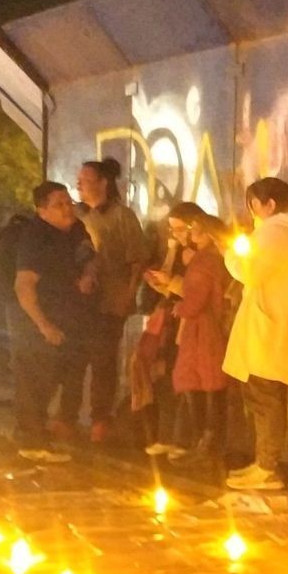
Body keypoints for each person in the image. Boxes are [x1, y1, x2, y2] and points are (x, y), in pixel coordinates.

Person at [222, 177, 288, 492]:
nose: (251, 213)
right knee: (266, 398)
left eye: (253, 205)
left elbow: (248, 270)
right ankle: (263, 463)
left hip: (268, 330)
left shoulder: (275, 233)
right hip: (276, 327)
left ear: (270, 205)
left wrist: (230, 255)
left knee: (266, 399)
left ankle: (267, 467)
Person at [60, 157, 149, 443]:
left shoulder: (122, 216)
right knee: (73, 360)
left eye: (85, 180)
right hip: (78, 302)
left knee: (102, 362)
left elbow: (138, 260)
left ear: (103, 182)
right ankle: (67, 417)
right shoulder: (75, 215)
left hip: (110, 301)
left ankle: (100, 420)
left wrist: (127, 294)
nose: (79, 185)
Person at [10, 182, 97, 463]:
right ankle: (30, 440)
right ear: (42, 210)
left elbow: (90, 258)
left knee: (59, 375)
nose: (67, 208)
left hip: (70, 318)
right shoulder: (35, 238)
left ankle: (41, 436)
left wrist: (87, 275)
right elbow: (24, 286)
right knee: (35, 379)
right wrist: (44, 325)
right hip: (36, 322)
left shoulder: (76, 230)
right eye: (59, 204)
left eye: (68, 202)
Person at [169, 208, 231, 468]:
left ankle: (205, 446)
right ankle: (204, 445)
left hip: (202, 331)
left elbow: (195, 300)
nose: (191, 234)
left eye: (195, 230)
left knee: (203, 383)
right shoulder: (213, 259)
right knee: (208, 384)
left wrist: (180, 307)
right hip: (208, 329)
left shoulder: (205, 262)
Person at [133, 203, 196, 458]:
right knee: (165, 375)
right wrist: (163, 280)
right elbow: (172, 285)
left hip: (189, 321)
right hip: (171, 319)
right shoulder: (177, 250)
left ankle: (182, 439)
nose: (176, 235)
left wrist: (171, 283)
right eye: (172, 230)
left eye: (180, 230)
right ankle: (166, 435)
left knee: (184, 380)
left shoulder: (202, 255)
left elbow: (198, 292)